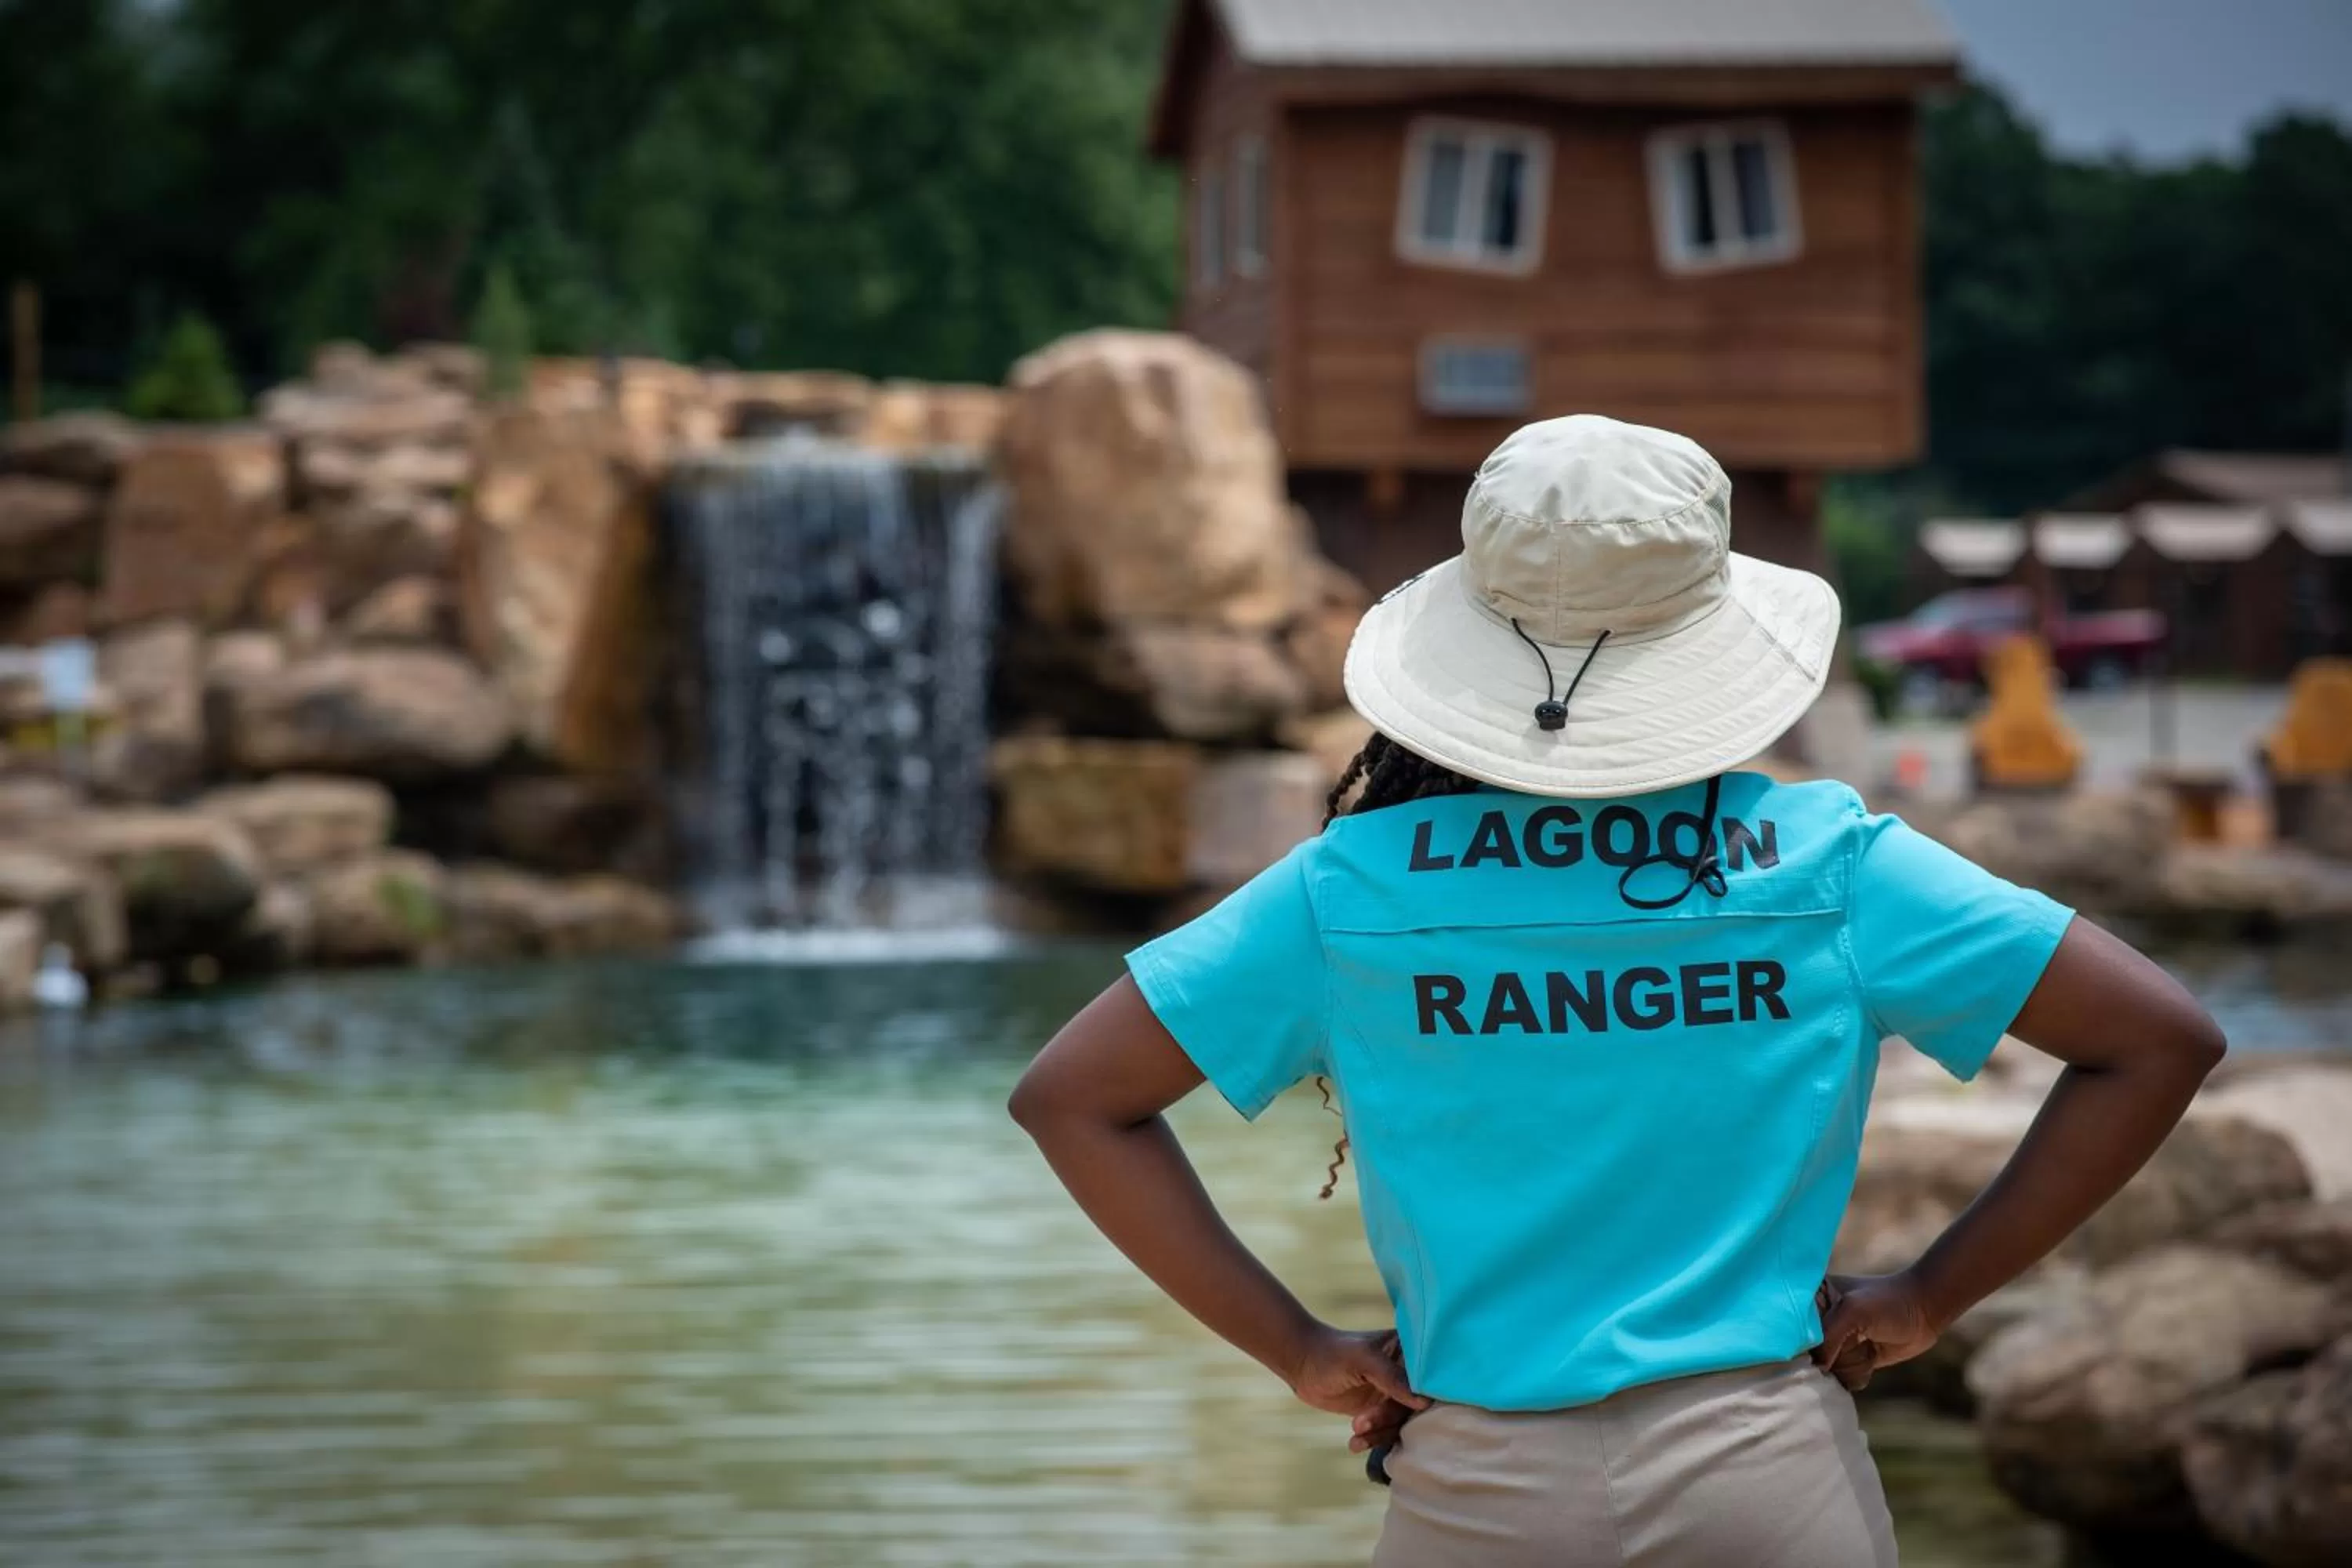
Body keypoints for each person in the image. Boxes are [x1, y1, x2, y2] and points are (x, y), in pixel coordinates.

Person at [1008, 415, 2224, 1567]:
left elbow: (1074, 1098)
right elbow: (2157, 1040)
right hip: (1768, 1472)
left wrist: (1299, 1350)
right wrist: (1932, 1295)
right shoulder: (1829, 861)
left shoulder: (1349, 889)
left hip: (1477, 1481)